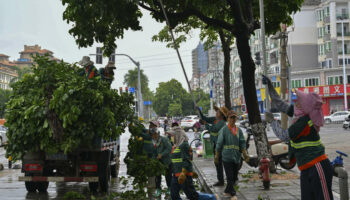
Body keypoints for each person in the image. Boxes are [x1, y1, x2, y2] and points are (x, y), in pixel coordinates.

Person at [263, 75, 333, 200]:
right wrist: (270, 86)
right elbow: (281, 104)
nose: (296, 102)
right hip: (306, 167)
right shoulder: (300, 115)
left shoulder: (304, 122)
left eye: (300, 101)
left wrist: (272, 121)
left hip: (317, 166)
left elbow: (284, 136)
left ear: (306, 107)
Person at [215, 111, 249, 197]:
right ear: (228, 119)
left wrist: (244, 153)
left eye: (234, 117)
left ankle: (229, 190)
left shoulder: (239, 130)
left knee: (234, 176)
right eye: (231, 117)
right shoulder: (224, 130)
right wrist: (217, 154)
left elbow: (242, 142)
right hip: (227, 157)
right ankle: (230, 192)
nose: (233, 119)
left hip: (236, 157)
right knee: (229, 176)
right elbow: (219, 143)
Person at [197, 106, 228, 186]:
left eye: (218, 112)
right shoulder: (215, 119)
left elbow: (213, 129)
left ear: (221, 115)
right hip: (214, 144)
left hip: (220, 145)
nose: (216, 113)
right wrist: (199, 111)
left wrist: (205, 124)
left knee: (220, 162)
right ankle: (220, 180)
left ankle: (222, 180)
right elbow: (205, 118)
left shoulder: (222, 123)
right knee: (217, 162)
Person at [150, 128, 173, 197]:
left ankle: (169, 188)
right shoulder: (153, 142)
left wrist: (162, 154)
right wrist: (154, 159)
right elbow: (153, 152)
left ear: (158, 134)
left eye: (155, 134)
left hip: (167, 160)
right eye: (152, 135)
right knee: (157, 176)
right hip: (158, 162)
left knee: (168, 176)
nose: (154, 136)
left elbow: (169, 148)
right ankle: (158, 189)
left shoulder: (164, 139)